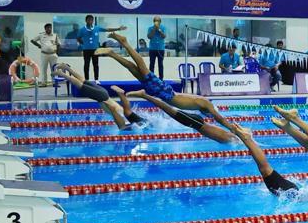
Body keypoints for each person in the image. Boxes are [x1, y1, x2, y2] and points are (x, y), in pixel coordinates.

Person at [98, 32, 238, 142]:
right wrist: (233, 128)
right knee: (142, 67)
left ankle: (112, 54)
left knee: (134, 70)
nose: (211, 115)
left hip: (164, 93)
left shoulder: (203, 104)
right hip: (166, 93)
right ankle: (124, 42)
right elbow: (220, 119)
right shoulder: (207, 104)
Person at [50, 64, 140, 130]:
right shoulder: (122, 119)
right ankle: (62, 74)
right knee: (81, 86)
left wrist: (120, 95)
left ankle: (67, 68)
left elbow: (126, 107)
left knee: (84, 81)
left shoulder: (125, 112)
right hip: (102, 97)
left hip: (105, 94)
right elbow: (121, 125)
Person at [228, 123, 299, 195]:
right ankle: (247, 138)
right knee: (265, 170)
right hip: (290, 192)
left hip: (291, 191)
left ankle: (247, 138)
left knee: (265, 170)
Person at [77, 14, 125, 81]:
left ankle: (96, 79)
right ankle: (86, 79)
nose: (90, 21)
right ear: (86, 21)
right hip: (86, 50)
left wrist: (118, 28)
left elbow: (107, 29)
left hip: (95, 50)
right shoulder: (82, 30)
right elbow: (78, 38)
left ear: (93, 21)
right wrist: (84, 44)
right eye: (89, 20)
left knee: (96, 65)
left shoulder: (96, 28)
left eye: (91, 20)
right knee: (86, 65)